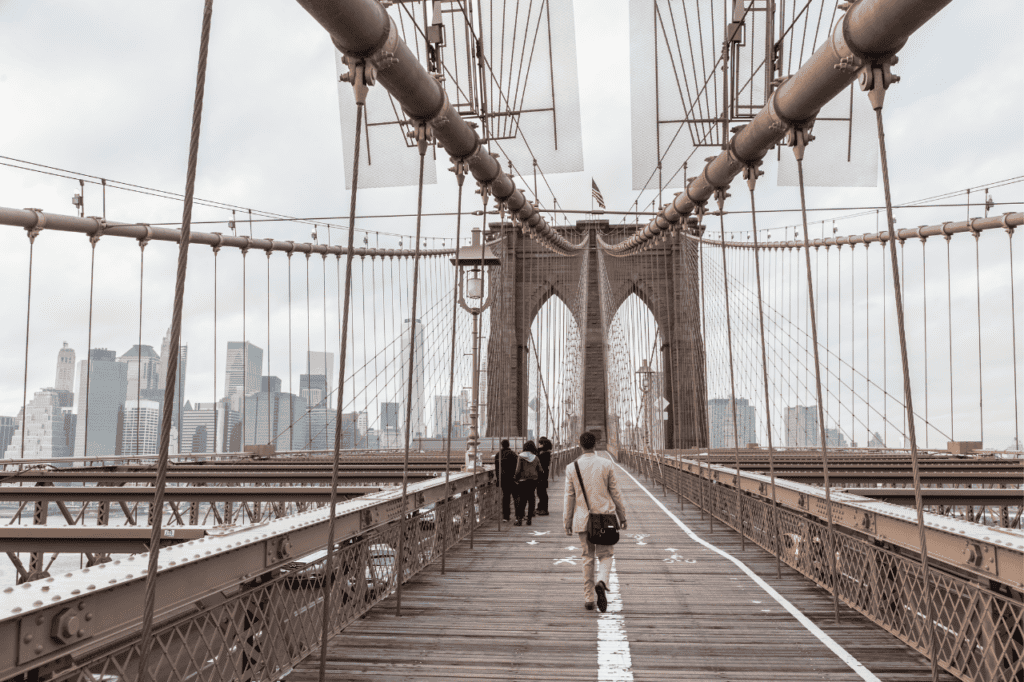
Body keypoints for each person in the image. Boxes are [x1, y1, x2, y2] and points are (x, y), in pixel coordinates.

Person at [563, 431, 627, 612]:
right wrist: (622, 516)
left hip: (583, 520)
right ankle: (602, 582)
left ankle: (589, 598)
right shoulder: (607, 464)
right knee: (606, 555)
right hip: (605, 518)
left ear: (580, 444)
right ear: (596, 444)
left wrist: (567, 522)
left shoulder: (571, 467)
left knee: (587, 557)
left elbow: (569, 497)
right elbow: (616, 493)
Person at [513, 440, 543, 526]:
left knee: (522, 500)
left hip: (523, 481)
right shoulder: (535, 457)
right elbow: (540, 470)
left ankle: (519, 519)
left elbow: (518, 470)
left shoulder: (521, 457)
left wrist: (515, 478)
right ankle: (529, 519)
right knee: (531, 499)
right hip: (533, 481)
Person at [493, 439, 518, 521]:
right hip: (513, 478)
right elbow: (517, 467)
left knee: (506, 497)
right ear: (509, 445)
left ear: (501, 445)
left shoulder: (498, 455)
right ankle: (518, 515)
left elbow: (497, 469)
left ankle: (506, 516)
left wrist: (497, 479)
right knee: (516, 497)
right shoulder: (513, 454)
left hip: (503, 479)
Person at [535, 436, 553, 515]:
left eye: (540, 443)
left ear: (543, 444)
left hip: (542, 475)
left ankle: (544, 509)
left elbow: (538, 460)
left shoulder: (545, 454)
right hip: (543, 475)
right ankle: (540, 507)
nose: (539, 445)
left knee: (541, 492)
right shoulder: (546, 453)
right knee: (541, 492)